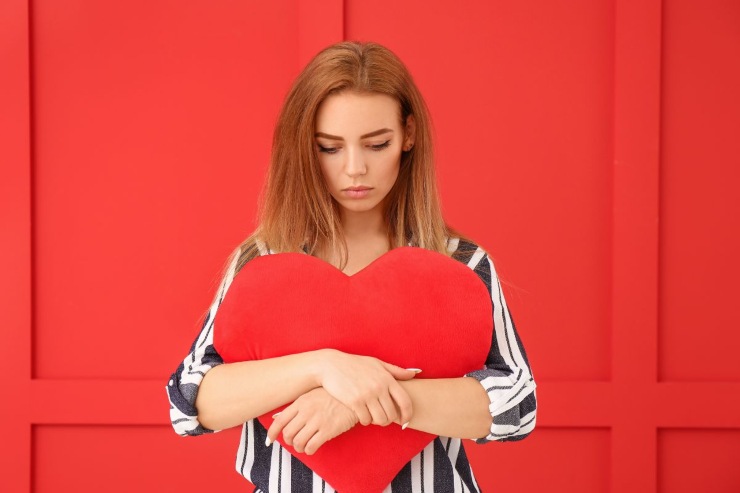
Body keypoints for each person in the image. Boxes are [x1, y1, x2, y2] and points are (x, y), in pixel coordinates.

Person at [166, 40, 537, 493]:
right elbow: (188, 404)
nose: (355, 169)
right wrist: (323, 367)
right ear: (304, 147)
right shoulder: (262, 262)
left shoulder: (461, 264)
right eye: (329, 148)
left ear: (409, 135)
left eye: (376, 144)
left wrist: (355, 401)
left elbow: (517, 407)